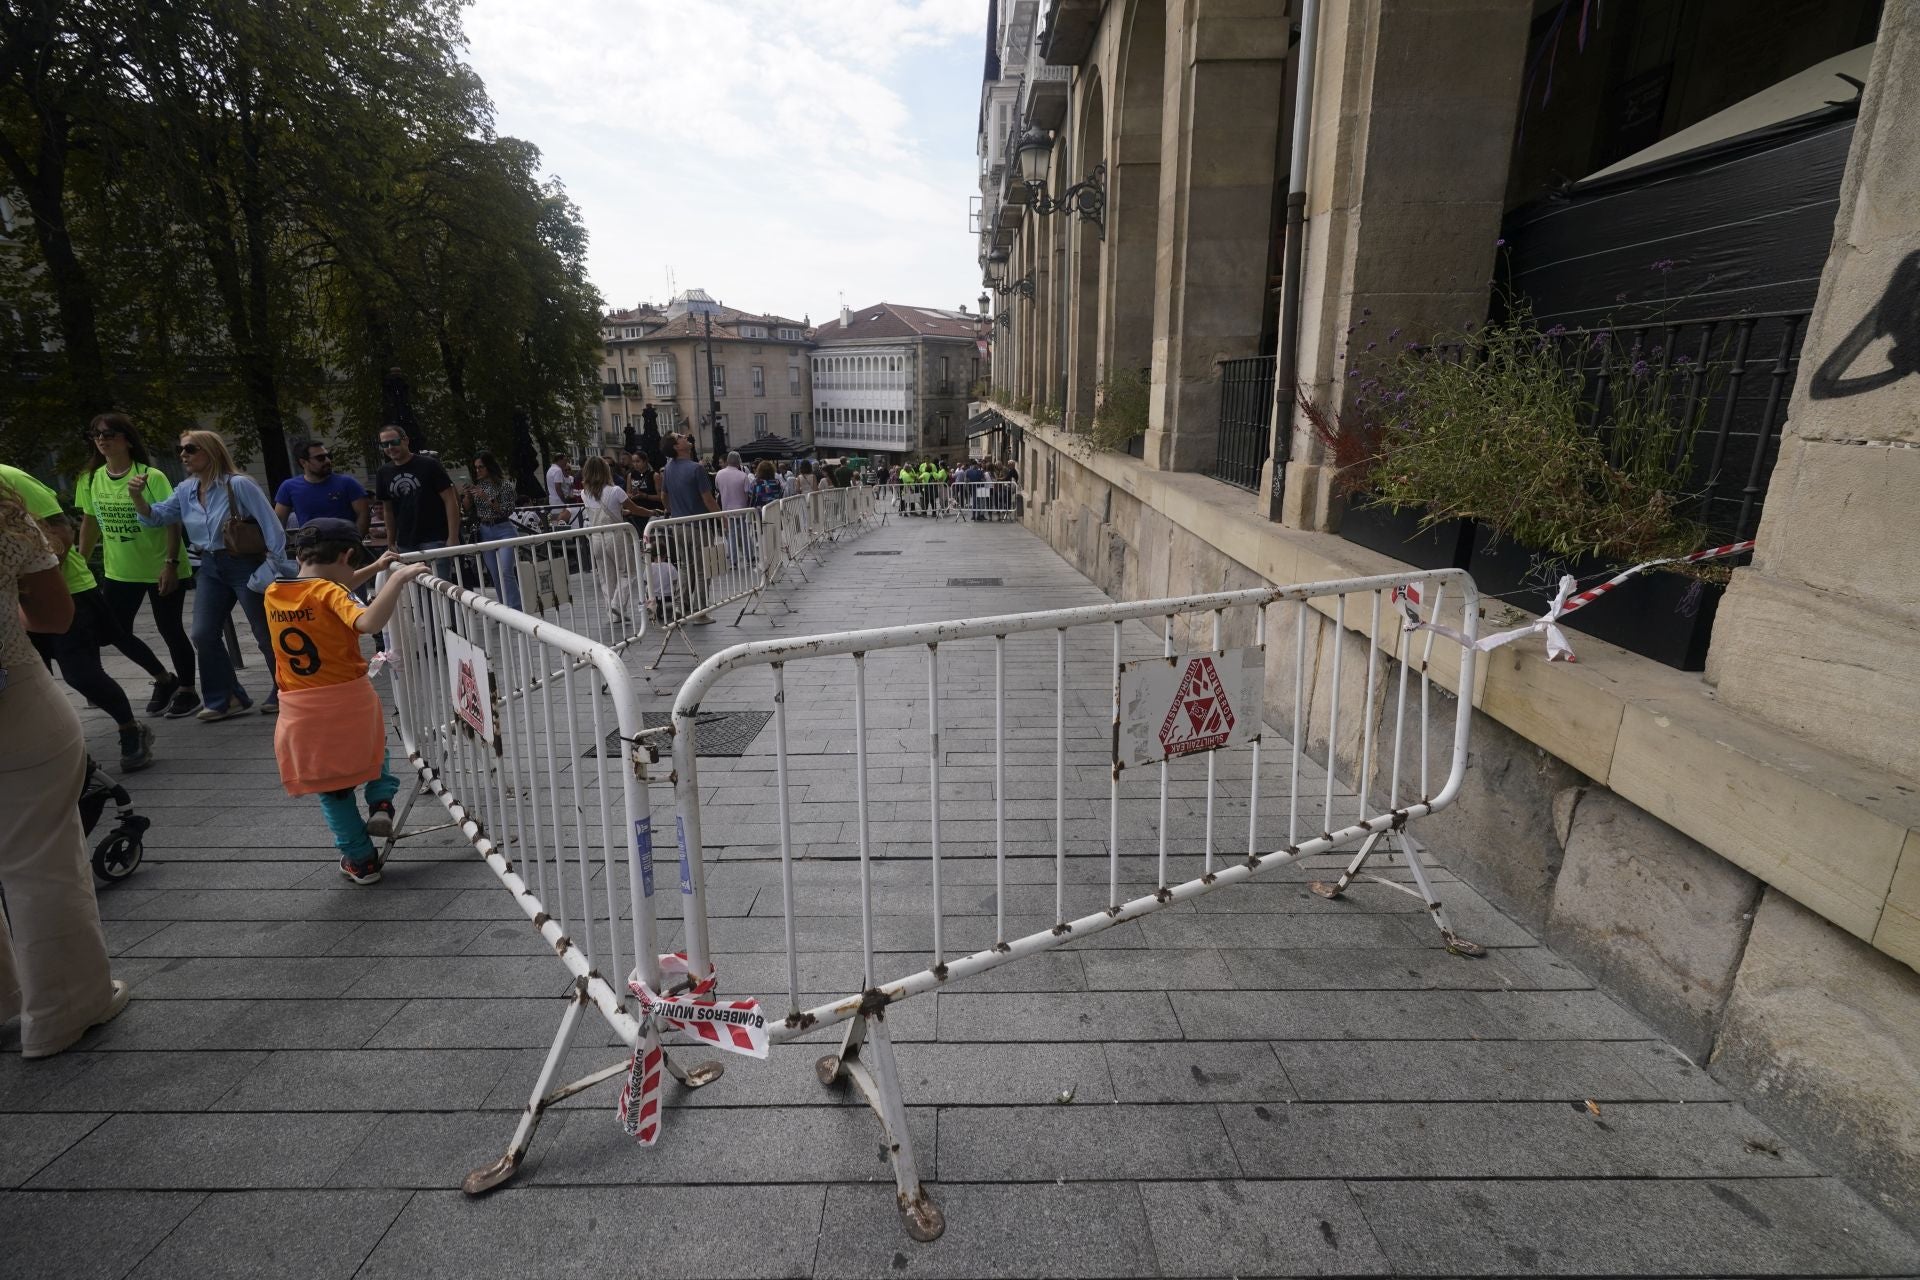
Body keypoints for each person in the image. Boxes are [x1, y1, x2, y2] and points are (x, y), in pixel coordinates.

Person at [0, 479, 131, 1058]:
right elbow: (53, 617)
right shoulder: (6, 516)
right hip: (15, 703)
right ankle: (62, 1011)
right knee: (40, 861)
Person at [265, 518, 428, 885]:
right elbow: (367, 621)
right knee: (373, 751)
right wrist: (397, 580)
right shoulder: (331, 594)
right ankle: (381, 802)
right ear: (347, 554)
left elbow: (329, 588)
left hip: (301, 708)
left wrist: (374, 569)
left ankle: (361, 860)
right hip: (349, 696)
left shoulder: (274, 591)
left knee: (332, 789)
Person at [3, 462, 157, 771]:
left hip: (67, 590)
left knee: (79, 673)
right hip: (12, 606)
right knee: (34, 682)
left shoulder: (10, 477)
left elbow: (61, 529)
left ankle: (130, 728)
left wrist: (37, 581)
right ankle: (53, 751)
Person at [130, 429, 286, 720]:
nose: (183, 455)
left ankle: (287, 690)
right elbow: (157, 517)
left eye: (190, 449)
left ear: (211, 451)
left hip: (244, 562)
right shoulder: (186, 489)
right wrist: (137, 497)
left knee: (265, 633)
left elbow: (272, 527)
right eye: (181, 449)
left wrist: (272, 567)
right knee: (203, 633)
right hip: (210, 566)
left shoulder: (238, 485)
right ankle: (227, 698)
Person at [72, 415, 199, 717]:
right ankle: (164, 679)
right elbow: (90, 522)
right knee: (111, 632)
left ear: (127, 439)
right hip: (120, 571)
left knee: (170, 629)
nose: (101, 439)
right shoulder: (90, 478)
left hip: (161, 566)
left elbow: (171, 520)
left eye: (109, 433)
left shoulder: (150, 476)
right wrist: (81, 563)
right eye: (96, 434)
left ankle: (188, 691)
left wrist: (170, 563)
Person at [374, 426, 461, 570]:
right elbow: (388, 511)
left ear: (405, 440)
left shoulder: (429, 464)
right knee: (414, 589)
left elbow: (450, 500)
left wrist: (453, 536)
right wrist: (391, 543)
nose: (390, 447)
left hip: (435, 538)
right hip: (405, 542)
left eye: (394, 442)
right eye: (384, 444)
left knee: (437, 587)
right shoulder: (383, 472)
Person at [660, 433, 718, 624]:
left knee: (685, 566)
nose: (685, 437)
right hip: (699, 525)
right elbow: (708, 498)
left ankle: (680, 605)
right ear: (677, 447)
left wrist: (672, 511)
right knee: (703, 570)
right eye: (680, 437)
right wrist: (721, 517)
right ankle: (700, 611)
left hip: (678, 525)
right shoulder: (696, 468)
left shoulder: (668, 468)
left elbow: (663, 497)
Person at [579, 456, 643, 622]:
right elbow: (636, 509)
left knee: (606, 576)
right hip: (615, 535)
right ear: (606, 471)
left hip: (596, 537)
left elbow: (597, 510)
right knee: (628, 571)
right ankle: (617, 604)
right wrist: (652, 512)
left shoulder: (584, 493)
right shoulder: (615, 491)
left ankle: (613, 614)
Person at [463, 452, 522, 610]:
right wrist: (467, 497)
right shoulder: (478, 486)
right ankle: (503, 608)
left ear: (489, 466)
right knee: (494, 574)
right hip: (485, 530)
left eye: (480, 467)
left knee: (506, 571)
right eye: (475, 468)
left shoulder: (504, 485)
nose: (477, 471)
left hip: (503, 528)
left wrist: (487, 498)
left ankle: (516, 609)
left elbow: (507, 510)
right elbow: (467, 509)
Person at [273, 438, 369, 534]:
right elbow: (279, 521)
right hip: (310, 545)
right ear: (303, 462)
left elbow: (364, 514)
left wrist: (355, 541)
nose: (327, 461)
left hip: (345, 544)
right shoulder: (288, 487)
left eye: (328, 456)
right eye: (320, 458)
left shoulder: (348, 483)